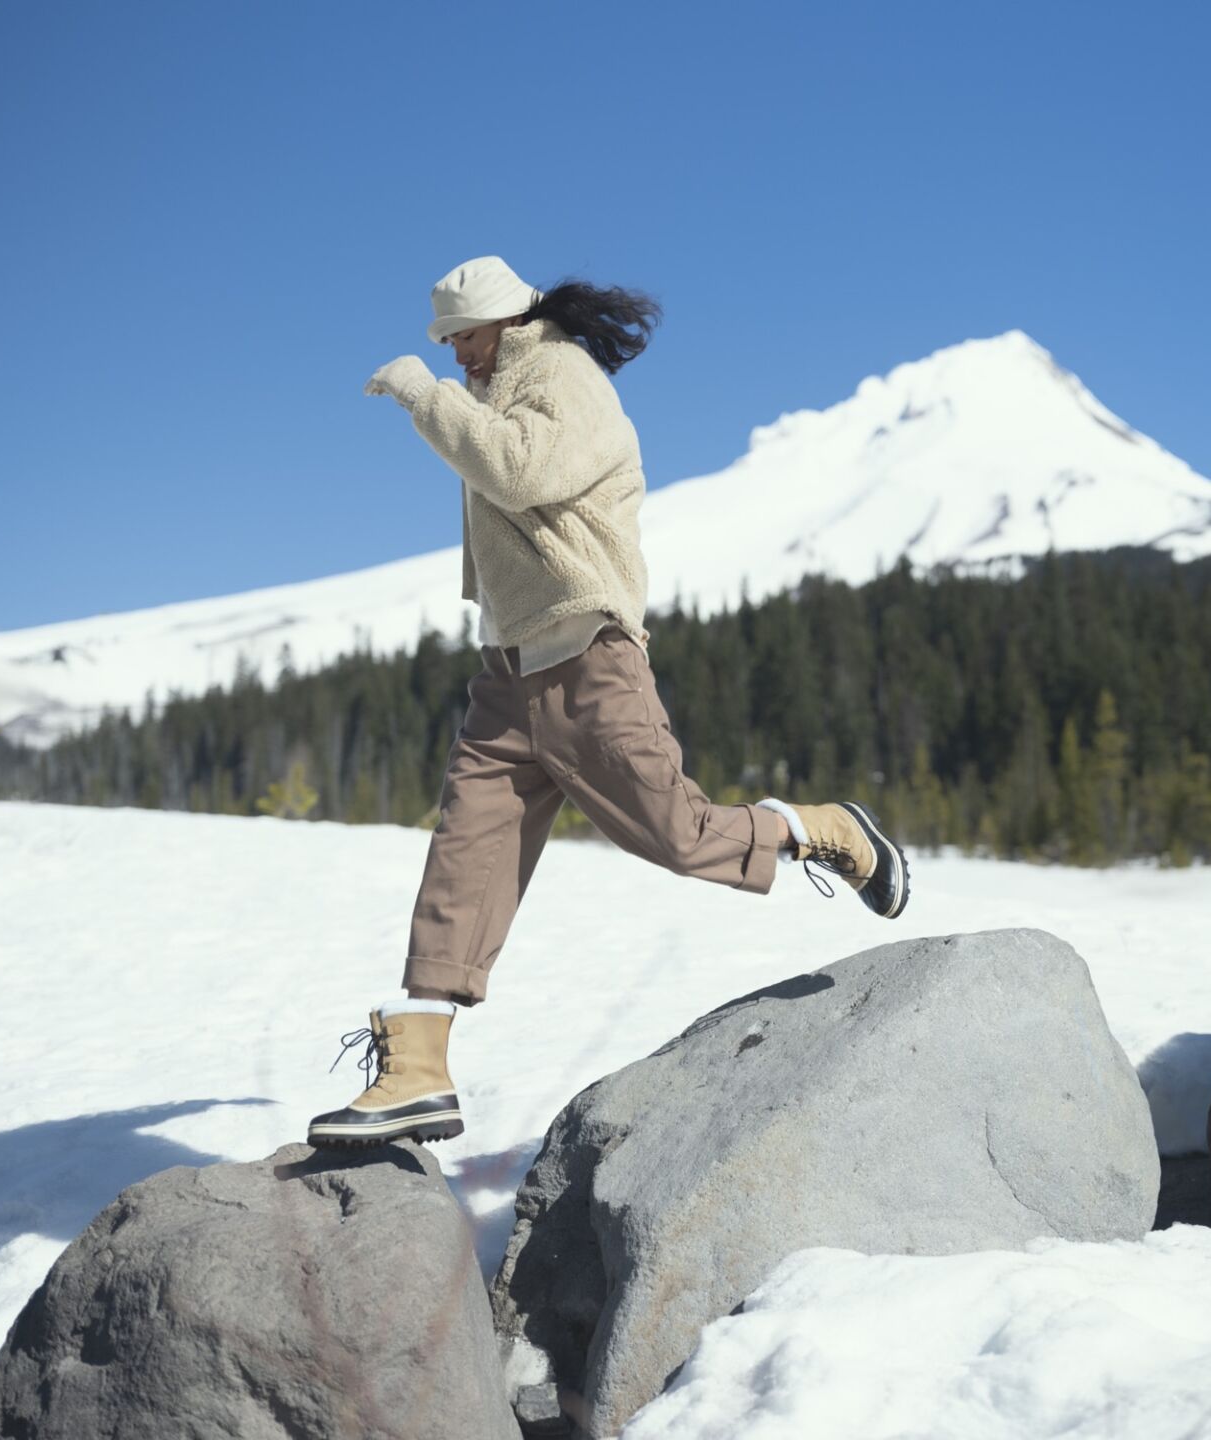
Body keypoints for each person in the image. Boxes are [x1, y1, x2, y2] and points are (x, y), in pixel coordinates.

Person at [307, 256, 911, 1147]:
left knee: (678, 834)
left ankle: (822, 828)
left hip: (586, 651)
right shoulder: (505, 381)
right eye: (445, 344)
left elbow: (520, 472)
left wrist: (421, 395)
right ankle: (420, 1065)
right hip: (508, 672)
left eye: (462, 336)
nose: (456, 354)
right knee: (465, 856)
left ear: (504, 321)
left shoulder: (560, 376)